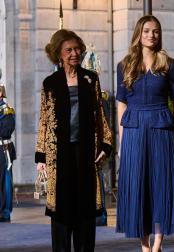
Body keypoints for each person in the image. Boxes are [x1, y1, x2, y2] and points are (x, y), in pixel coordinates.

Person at [36, 29, 113, 251]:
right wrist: (41, 157)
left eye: (77, 48)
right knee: (61, 211)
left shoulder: (91, 79)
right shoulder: (50, 82)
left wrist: (106, 146)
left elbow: (100, 114)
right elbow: (44, 120)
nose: (75, 53)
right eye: (69, 50)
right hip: (59, 156)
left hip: (86, 152)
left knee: (86, 211)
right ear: (58, 54)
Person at [115, 15, 174, 252]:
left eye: (155, 31)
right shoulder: (124, 65)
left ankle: (158, 244)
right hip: (133, 131)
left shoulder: (169, 64)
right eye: (146, 31)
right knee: (137, 186)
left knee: (162, 185)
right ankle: (144, 246)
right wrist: (122, 143)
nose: (151, 35)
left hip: (161, 129)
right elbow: (121, 104)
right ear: (138, 34)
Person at [0, 85, 16, 223]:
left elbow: (6, 130)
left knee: (5, 182)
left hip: (3, 149)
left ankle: (4, 212)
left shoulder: (6, 109)